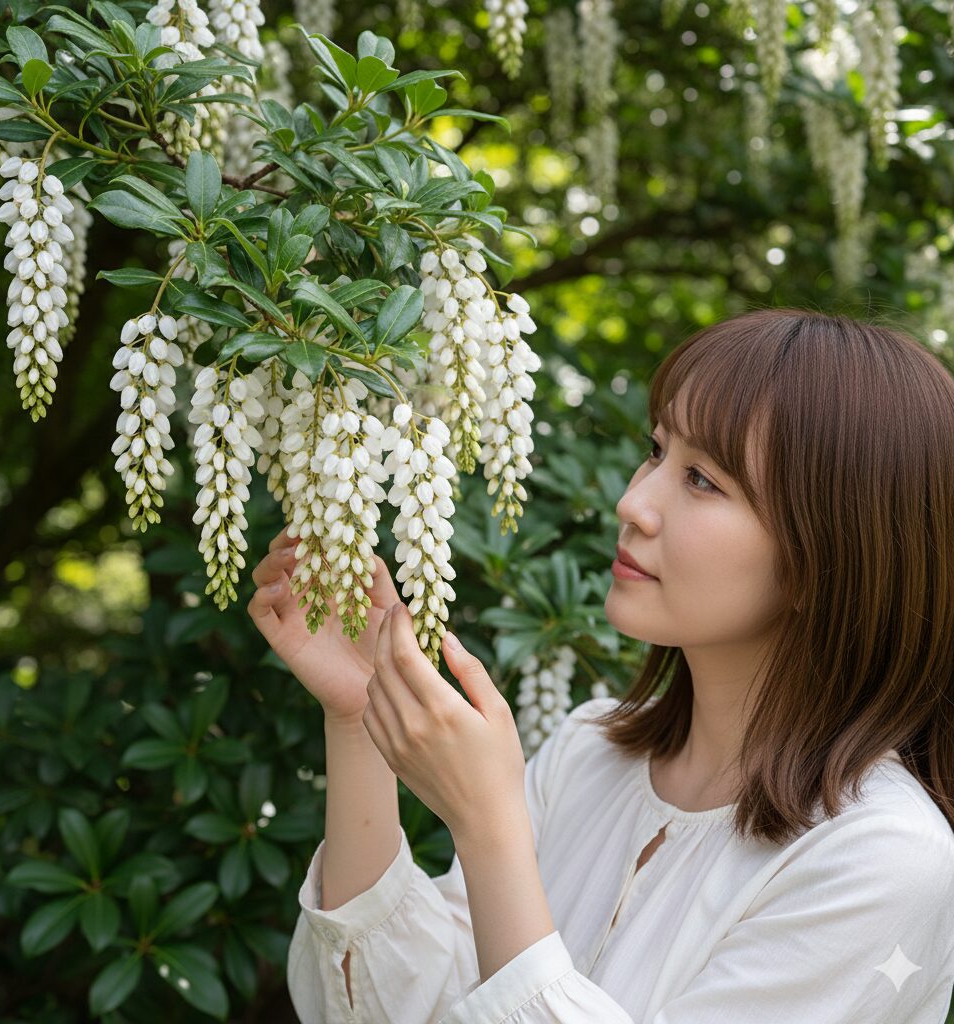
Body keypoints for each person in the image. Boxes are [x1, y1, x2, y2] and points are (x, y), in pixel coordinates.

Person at [248, 308, 954, 1023]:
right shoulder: (590, 750)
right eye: (656, 451)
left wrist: (489, 828)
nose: (633, 502)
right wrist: (362, 713)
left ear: (827, 557)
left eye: (703, 480)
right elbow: (395, 1010)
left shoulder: (883, 857)